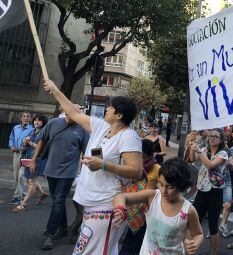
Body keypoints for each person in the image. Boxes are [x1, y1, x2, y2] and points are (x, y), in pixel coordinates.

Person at [42, 79, 142, 255]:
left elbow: (136, 170)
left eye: (110, 107)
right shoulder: (101, 126)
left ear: (119, 115)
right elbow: (73, 112)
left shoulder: (129, 136)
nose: (106, 109)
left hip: (108, 204)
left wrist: (103, 164)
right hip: (91, 202)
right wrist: (56, 90)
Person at [113, 158, 203, 255]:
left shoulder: (188, 210)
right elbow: (121, 197)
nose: (163, 191)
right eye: (161, 184)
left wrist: (194, 244)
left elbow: (198, 234)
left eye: (170, 187)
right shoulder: (152, 197)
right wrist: (120, 209)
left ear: (182, 186)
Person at [30, 105, 89, 251]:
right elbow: (42, 141)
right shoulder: (54, 123)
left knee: (58, 201)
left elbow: (86, 151)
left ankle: (49, 234)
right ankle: (63, 228)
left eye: (78, 112)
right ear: (66, 112)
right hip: (51, 170)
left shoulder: (81, 129)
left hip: (68, 173)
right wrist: (34, 159)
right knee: (58, 200)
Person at [189, 129, 228, 255]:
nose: (212, 138)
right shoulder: (204, 150)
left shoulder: (223, 153)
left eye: (216, 136)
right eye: (211, 136)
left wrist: (199, 150)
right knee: (194, 221)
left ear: (221, 140)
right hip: (201, 190)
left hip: (215, 192)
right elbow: (192, 159)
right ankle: (190, 251)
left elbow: (210, 165)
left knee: (212, 224)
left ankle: (213, 253)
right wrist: (192, 146)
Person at [119, 139, 161, 255]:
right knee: (129, 240)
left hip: (146, 212)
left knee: (137, 242)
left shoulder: (157, 169)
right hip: (131, 208)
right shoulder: (132, 166)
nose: (141, 160)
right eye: (139, 156)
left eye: (144, 157)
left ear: (151, 155)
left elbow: (162, 189)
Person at [12, 114, 49, 212]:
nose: (36, 122)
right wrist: (24, 144)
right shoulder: (32, 132)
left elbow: (42, 148)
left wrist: (30, 143)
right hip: (28, 159)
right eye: (35, 120)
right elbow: (26, 146)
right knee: (29, 180)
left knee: (31, 181)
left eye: (39, 120)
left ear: (43, 122)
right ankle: (42, 193)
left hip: (37, 160)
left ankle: (24, 203)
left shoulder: (44, 133)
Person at [8, 111, 34, 205]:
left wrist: (26, 147)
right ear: (21, 118)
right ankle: (27, 193)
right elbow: (11, 138)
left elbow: (31, 141)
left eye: (28, 116)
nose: (26, 118)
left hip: (26, 154)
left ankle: (17, 196)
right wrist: (11, 146)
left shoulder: (32, 129)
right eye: (24, 116)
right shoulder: (16, 128)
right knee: (16, 176)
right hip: (16, 153)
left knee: (21, 176)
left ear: (30, 119)